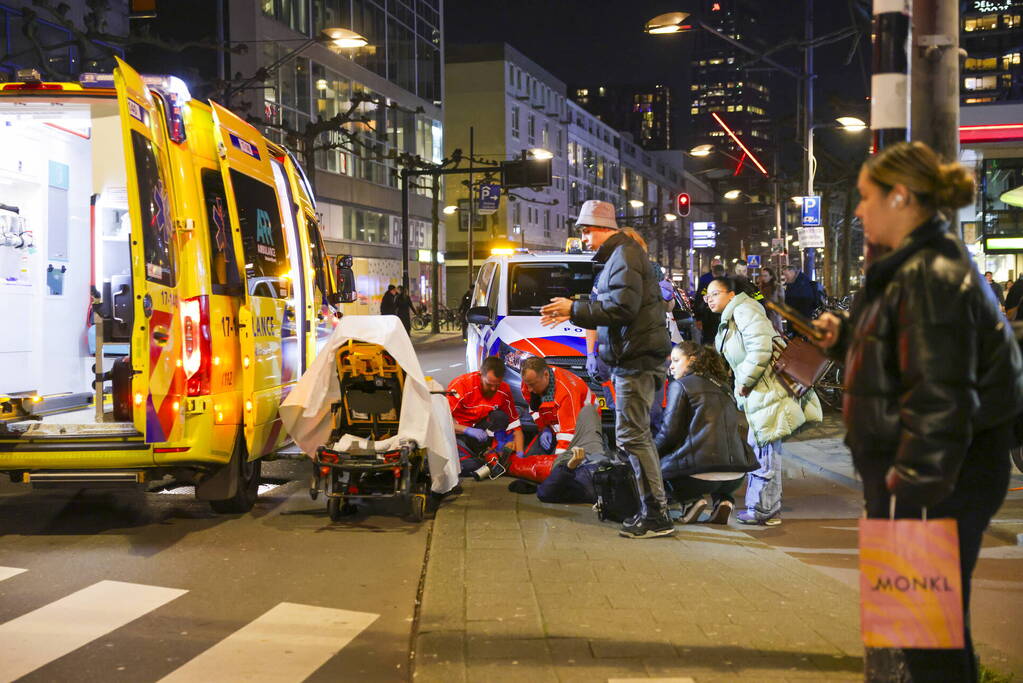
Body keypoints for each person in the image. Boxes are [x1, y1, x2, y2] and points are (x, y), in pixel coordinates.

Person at [812, 141, 1023, 682]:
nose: (858, 211)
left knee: (928, 639)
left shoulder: (926, 274)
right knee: (930, 634)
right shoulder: (923, 267)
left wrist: (910, 496)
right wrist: (848, 342)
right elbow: (915, 361)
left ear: (900, 197)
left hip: (937, 485)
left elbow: (940, 397)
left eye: (866, 198)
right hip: (940, 480)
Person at [539, 199, 674, 539]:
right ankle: (653, 510)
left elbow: (621, 308)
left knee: (633, 437)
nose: (583, 238)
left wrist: (575, 308)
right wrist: (577, 310)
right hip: (634, 359)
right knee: (635, 437)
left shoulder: (625, 256)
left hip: (636, 361)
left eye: (585, 231)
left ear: (602, 229)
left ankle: (656, 514)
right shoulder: (620, 256)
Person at [706, 275, 822, 526]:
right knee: (765, 446)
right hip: (761, 391)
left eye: (715, 293)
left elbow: (760, 348)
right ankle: (768, 509)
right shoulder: (733, 316)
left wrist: (744, 382)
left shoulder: (745, 310)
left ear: (731, 294)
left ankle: (762, 509)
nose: (709, 299)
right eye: (707, 295)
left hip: (766, 389)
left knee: (763, 447)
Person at [654, 342, 757, 524]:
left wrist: (650, 453)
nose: (671, 366)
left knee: (656, 466)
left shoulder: (682, 386)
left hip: (697, 477)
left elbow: (669, 433)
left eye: (676, 360)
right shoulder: (724, 387)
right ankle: (724, 501)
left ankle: (691, 501)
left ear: (692, 360)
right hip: (735, 476)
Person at [505, 356, 607, 503]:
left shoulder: (567, 391)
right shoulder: (530, 382)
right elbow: (534, 409)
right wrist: (544, 428)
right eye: (527, 384)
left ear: (546, 375)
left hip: (581, 429)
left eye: (533, 385)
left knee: (555, 469)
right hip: (555, 427)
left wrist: (558, 465)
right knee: (528, 462)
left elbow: (568, 432)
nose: (529, 389)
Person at [447, 356, 525, 478]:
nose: (493, 389)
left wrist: (520, 454)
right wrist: (466, 430)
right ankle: (478, 459)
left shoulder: (504, 390)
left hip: (481, 434)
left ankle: (488, 454)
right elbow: (441, 423)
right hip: (457, 433)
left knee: (500, 417)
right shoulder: (460, 386)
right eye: (489, 384)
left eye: (497, 385)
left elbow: (516, 427)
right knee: (468, 467)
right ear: (480, 375)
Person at [696, 263, 726, 345]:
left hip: (709, 317)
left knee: (708, 340)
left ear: (713, 273)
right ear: (724, 273)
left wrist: (698, 318)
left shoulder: (707, 285)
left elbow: (698, 300)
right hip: (725, 317)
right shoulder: (729, 285)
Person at [757, 266, 784, 333]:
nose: (763, 278)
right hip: (762, 317)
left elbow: (782, 303)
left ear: (771, 276)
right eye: (762, 276)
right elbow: (756, 301)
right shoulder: (759, 288)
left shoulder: (778, 287)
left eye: (765, 276)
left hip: (774, 317)